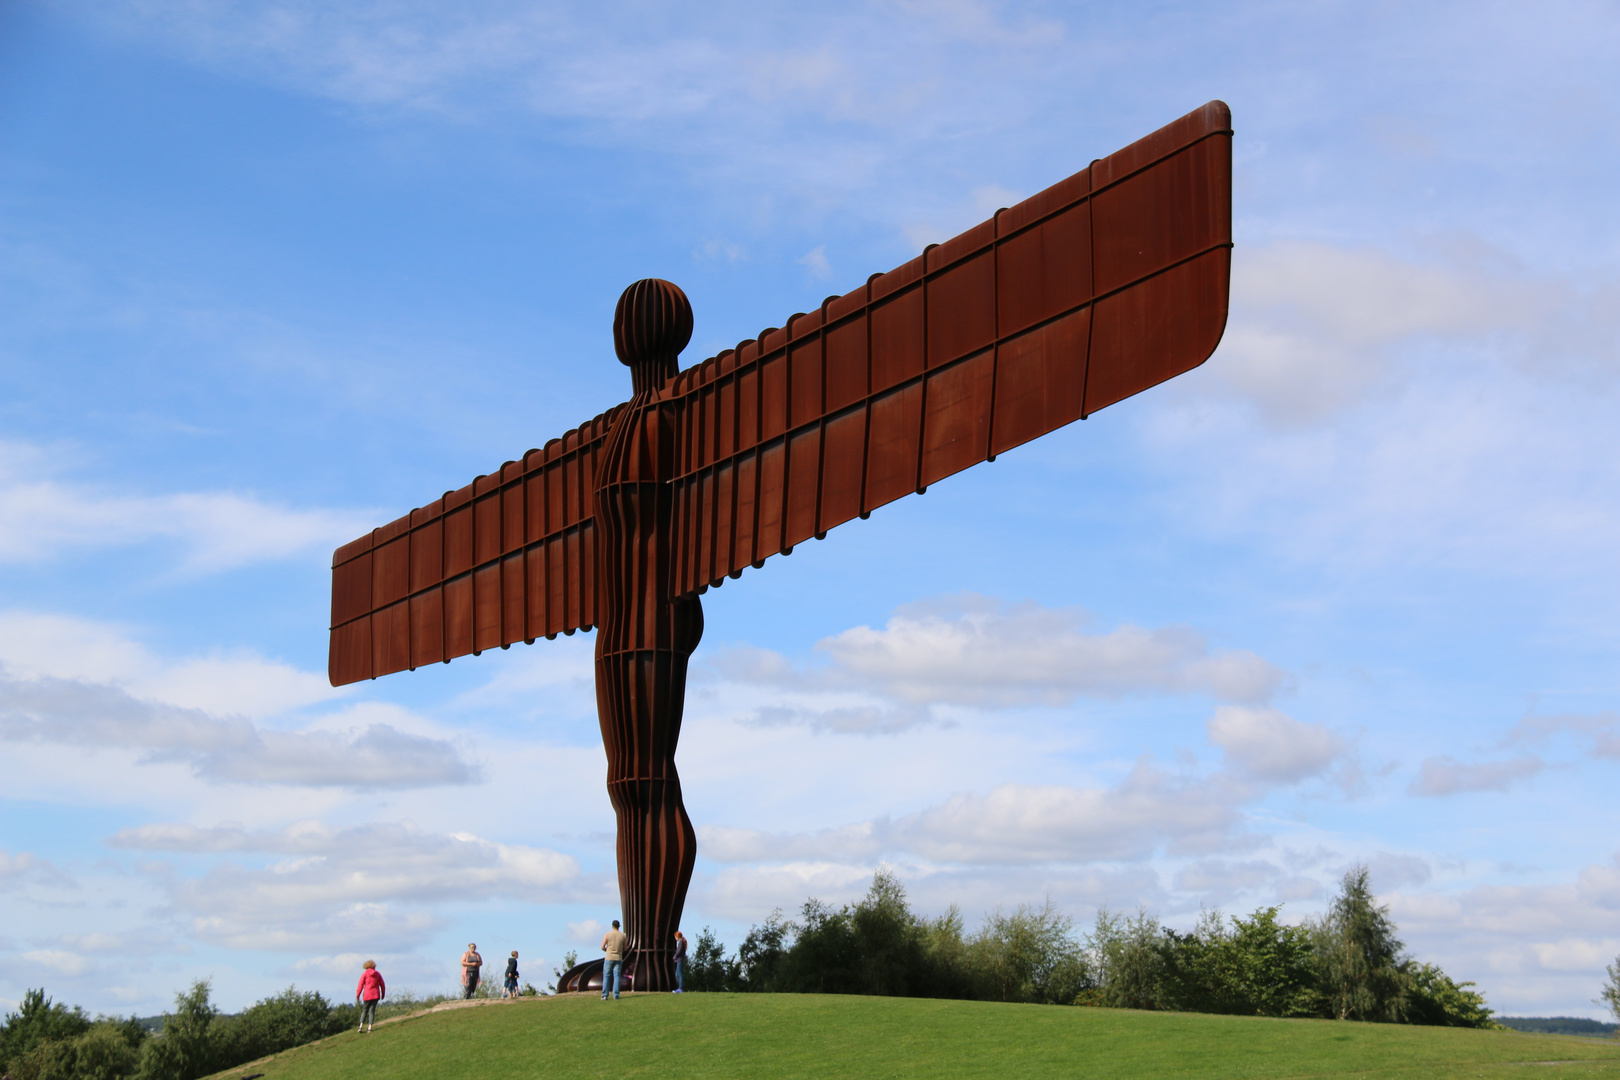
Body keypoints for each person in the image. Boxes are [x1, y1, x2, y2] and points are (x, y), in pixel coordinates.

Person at [601, 920, 629, 1000]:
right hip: (618, 958)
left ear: (612, 926)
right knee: (616, 976)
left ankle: (604, 995)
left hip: (609, 957)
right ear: (619, 926)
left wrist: (608, 950)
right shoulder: (623, 935)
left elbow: (602, 947)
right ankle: (616, 995)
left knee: (606, 976)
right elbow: (625, 948)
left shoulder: (608, 934)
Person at [355, 960, 385, 1033]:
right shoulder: (378, 974)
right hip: (375, 995)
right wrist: (383, 994)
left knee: (365, 1010)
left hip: (367, 995)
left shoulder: (364, 974)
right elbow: (382, 985)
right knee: (372, 1011)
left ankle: (360, 1026)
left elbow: (360, 985)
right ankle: (369, 1027)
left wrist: (357, 995)